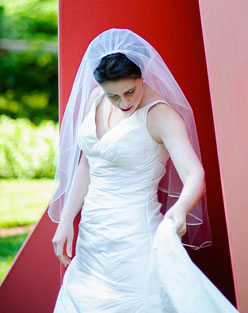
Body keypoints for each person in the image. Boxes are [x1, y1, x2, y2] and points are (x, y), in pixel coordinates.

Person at [49, 28, 237, 312]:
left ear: (142, 76)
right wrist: (66, 220)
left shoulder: (161, 116)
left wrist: (182, 207)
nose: (124, 103)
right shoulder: (95, 101)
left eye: (130, 91)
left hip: (134, 241)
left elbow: (194, 174)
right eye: (114, 96)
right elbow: (89, 163)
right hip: (92, 240)